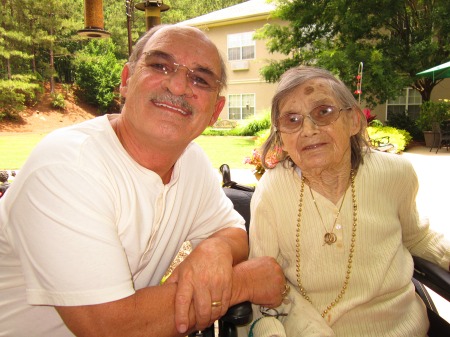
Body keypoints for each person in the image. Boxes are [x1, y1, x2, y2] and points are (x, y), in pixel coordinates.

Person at [0, 25, 286, 337]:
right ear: (126, 81)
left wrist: (215, 248)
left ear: (215, 111)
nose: (177, 86)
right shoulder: (67, 166)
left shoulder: (191, 162)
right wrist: (240, 284)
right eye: (160, 65)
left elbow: (232, 232)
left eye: (200, 79)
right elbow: (113, 329)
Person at [245, 66, 450, 336]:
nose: (308, 129)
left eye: (323, 112)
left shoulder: (394, 174)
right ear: (281, 137)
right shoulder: (272, 192)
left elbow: (418, 238)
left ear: (353, 120)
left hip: (405, 327)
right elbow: (262, 283)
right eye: (292, 120)